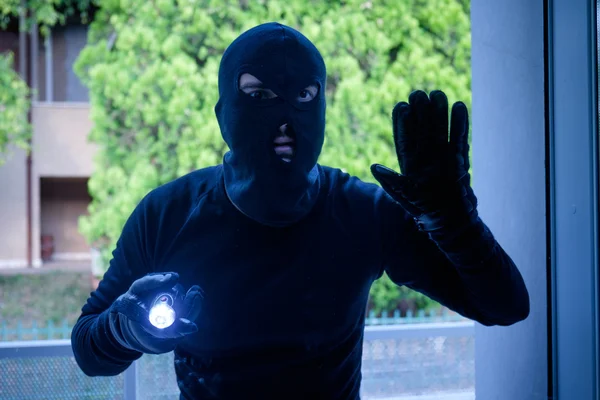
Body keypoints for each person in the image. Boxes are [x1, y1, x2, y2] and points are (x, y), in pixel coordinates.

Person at [71, 22, 529, 399]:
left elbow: (505, 306)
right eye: (259, 95)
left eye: (306, 96)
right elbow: (88, 348)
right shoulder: (167, 215)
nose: (286, 119)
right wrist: (126, 330)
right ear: (221, 113)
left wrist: (454, 220)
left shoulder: (365, 213)